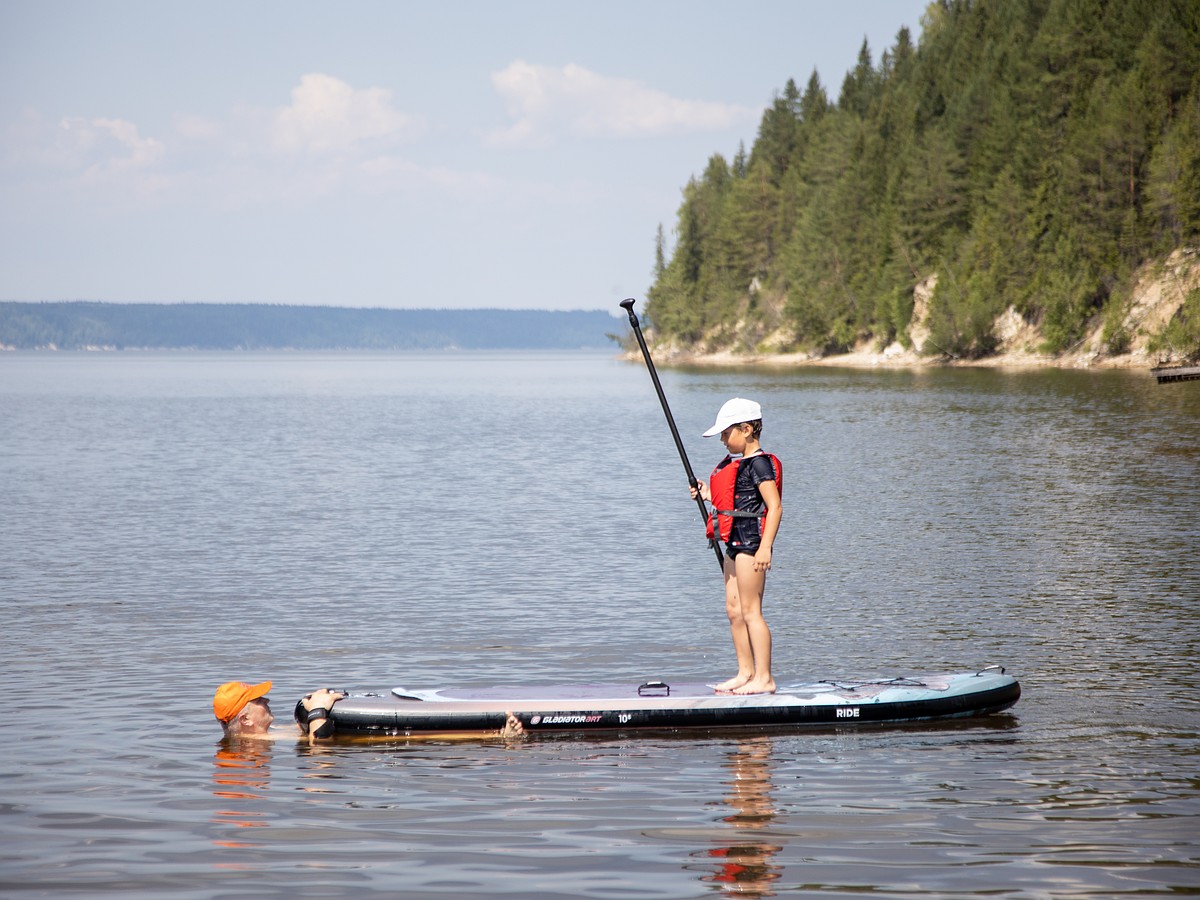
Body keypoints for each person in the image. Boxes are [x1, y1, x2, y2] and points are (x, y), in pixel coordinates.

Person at [690, 398, 783, 695]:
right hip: (732, 540)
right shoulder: (739, 463)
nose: (721, 439)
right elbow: (734, 501)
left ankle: (764, 677)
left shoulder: (759, 463)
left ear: (746, 429)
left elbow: (774, 506)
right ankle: (745, 672)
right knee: (734, 610)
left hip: (752, 543)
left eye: (725, 433)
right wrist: (706, 495)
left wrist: (766, 546)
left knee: (751, 611)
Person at [212, 680, 525, 740]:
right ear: (246, 719)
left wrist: (316, 700)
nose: (267, 701)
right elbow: (321, 758)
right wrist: (318, 711)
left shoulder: (264, 737)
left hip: (340, 743)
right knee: (400, 740)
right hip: (350, 758)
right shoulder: (255, 748)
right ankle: (497, 738)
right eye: (259, 700)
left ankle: (494, 736)